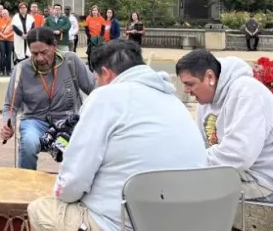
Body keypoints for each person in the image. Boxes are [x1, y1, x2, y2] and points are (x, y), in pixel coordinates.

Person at [28, 40, 207, 231]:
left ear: (106, 74)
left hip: (122, 224)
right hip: (184, 221)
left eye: (97, 79)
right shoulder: (175, 102)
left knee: (41, 209)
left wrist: (62, 191)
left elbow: (72, 184)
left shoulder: (105, 97)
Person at [176, 49, 273, 203]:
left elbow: (239, 154)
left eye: (190, 84)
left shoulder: (246, 93)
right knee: (177, 184)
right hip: (238, 174)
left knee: (186, 192)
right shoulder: (205, 101)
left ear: (210, 77)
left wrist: (191, 162)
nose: (186, 90)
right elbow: (199, 146)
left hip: (267, 182)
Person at [0, 27, 96, 170]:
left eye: (44, 52)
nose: (40, 58)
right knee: (29, 143)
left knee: (87, 146)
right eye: (34, 53)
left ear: (54, 46)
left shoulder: (71, 61)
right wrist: (9, 124)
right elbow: (10, 106)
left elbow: (95, 89)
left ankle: (75, 185)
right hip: (35, 121)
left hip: (67, 120)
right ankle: (25, 186)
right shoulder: (21, 69)